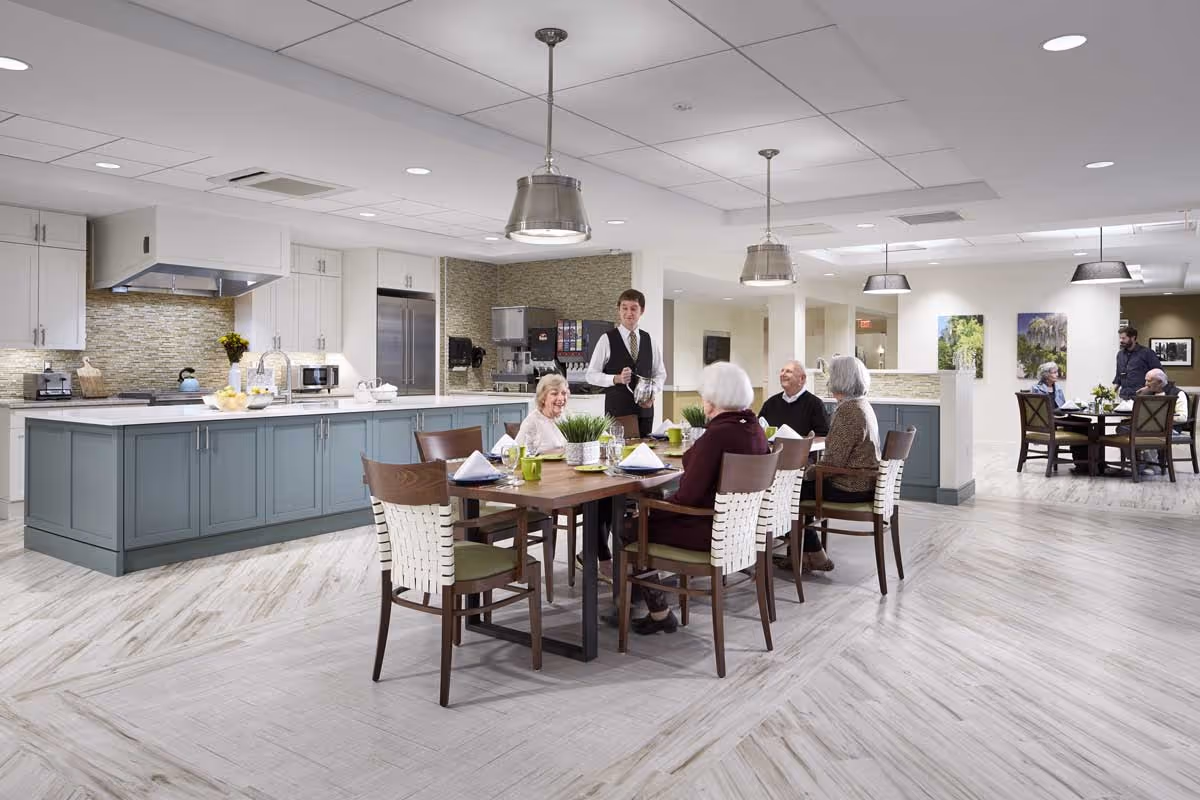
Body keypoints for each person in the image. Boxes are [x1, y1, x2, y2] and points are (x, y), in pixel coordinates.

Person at [628, 361, 768, 635]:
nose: (702, 400)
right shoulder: (755, 430)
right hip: (739, 532)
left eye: (703, 394)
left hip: (707, 531)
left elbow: (687, 497)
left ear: (713, 399)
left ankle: (658, 612)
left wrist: (650, 510)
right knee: (644, 518)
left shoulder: (717, 436)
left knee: (630, 526)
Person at [795, 356, 877, 573]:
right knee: (799, 488)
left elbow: (832, 463)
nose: (829, 380)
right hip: (863, 483)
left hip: (850, 487)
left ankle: (811, 553)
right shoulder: (862, 405)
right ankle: (806, 554)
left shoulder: (848, 411)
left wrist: (804, 473)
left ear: (839, 379)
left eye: (831, 375)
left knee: (789, 491)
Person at [586, 289, 667, 438]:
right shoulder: (606, 339)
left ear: (642, 311)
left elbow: (660, 374)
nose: (629, 313)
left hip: (645, 412)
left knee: (645, 450)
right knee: (619, 451)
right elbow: (591, 375)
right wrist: (615, 379)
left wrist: (652, 392)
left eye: (634, 308)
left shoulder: (650, 340)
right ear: (619, 310)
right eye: (624, 308)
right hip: (618, 412)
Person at [1031, 361, 1090, 473]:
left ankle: (1086, 464)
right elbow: (1038, 411)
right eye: (1054, 372)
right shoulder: (1036, 389)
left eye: (1056, 372)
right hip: (1047, 421)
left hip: (1059, 418)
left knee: (1085, 422)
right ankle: (1081, 465)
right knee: (1079, 426)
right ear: (1046, 375)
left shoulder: (1058, 388)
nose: (1057, 374)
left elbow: (1063, 408)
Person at [758, 360, 830, 437]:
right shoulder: (770, 404)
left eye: (788, 371)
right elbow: (757, 430)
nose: (783, 374)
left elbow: (823, 436)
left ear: (802, 378)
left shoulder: (815, 404)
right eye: (782, 371)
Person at [513, 373, 569, 455]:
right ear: (543, 398)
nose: (561, 398)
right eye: (554, 393)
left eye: (564, 393)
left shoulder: (565, 418)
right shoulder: (532, 422)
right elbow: (518, 453)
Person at [1113, 326, 1161, 400]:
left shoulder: (1147, 353)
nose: (1121, 340)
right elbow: (1118, 377)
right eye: (1120, 338)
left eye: (1123, 338)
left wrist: (1148, 389)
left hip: (1142, 397)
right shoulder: (1120, 355)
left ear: (1133, 338)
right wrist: (1110, 393)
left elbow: (1159, 375)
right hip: (1124, 397)